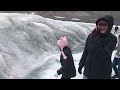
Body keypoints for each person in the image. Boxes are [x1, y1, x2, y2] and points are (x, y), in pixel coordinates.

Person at [78, 15, 117, 79]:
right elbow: (86, 52)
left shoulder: (112, 39)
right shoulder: (91, 36)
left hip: (102, 74)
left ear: (109, 26)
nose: (102, 26)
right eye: (100, 24)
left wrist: (98, 37)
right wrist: (81, 64)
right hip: (88, 72)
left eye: (105, 24)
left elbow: (103, 54)